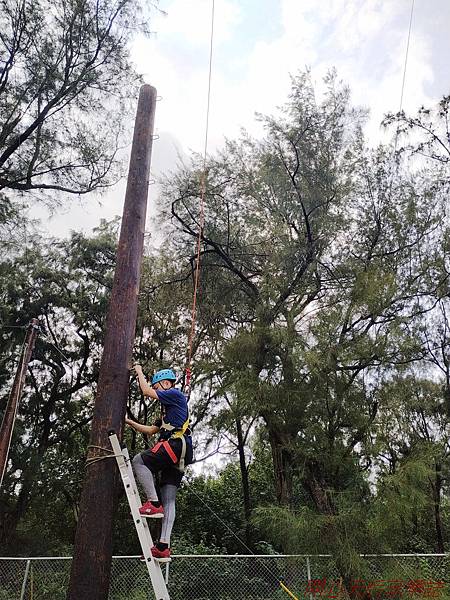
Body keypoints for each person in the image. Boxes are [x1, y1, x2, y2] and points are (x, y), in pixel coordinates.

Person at [125, 366, 192, 561]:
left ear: (166, 383)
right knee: (169, 498)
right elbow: (150, 431)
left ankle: (153, 504)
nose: (156, 390)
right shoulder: (167, 413)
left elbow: (145, 391)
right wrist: (129, 422)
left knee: (139, 461)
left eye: (157, 386)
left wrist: (138, 370)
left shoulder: (174, 394)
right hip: (181, 453)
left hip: (175, 445)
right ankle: (163, 546)